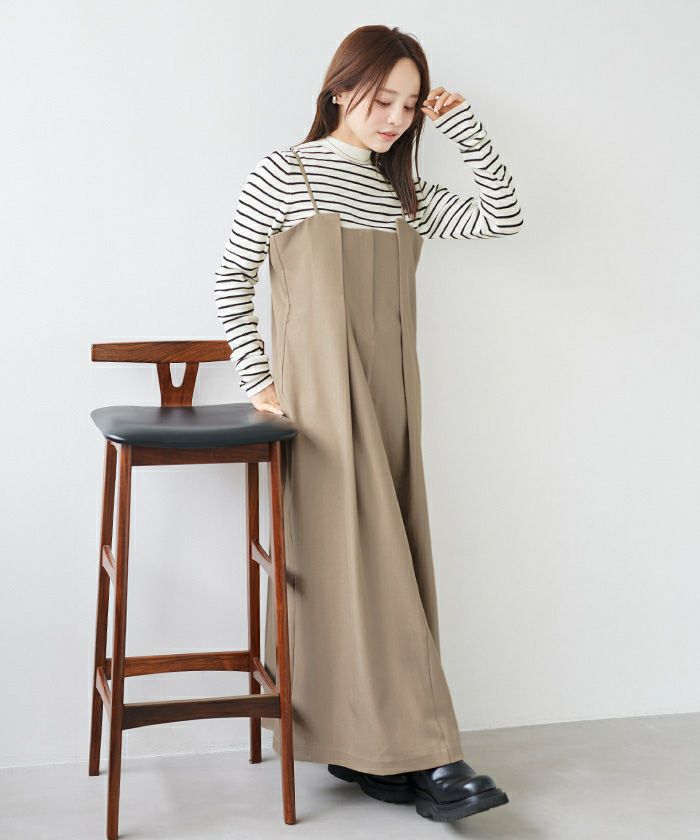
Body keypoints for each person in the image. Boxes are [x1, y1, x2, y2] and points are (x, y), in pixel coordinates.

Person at [214, 24, 523, 823]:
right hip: (321, 409)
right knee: (361, 574)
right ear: (339, 90)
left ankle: (373, 754)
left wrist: (464, 129)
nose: (395, 118)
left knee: (392, 570)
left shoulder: (401, 193)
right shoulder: (285, 172)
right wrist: (260, 381)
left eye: (410, 105)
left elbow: (502, 217)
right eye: (382, 99)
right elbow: (229, 279)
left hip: (393, 407)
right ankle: (437, 757)